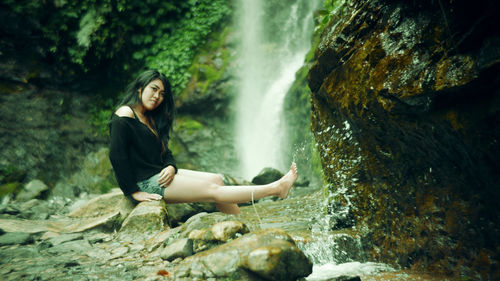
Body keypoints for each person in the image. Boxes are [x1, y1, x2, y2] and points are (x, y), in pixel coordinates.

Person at [109, 69, 298, 215]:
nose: (157, 96)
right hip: (147, 182)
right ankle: (275, 188)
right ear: (140, 88)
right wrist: (132, 192)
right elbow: (117, 156)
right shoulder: (125, 114)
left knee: (217, 179)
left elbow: (165, 153)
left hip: (161, 174)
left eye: (162, 93)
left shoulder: (151, 118)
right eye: (153, 89)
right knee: (212, 190)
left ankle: (240, 226)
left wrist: (171, 167)